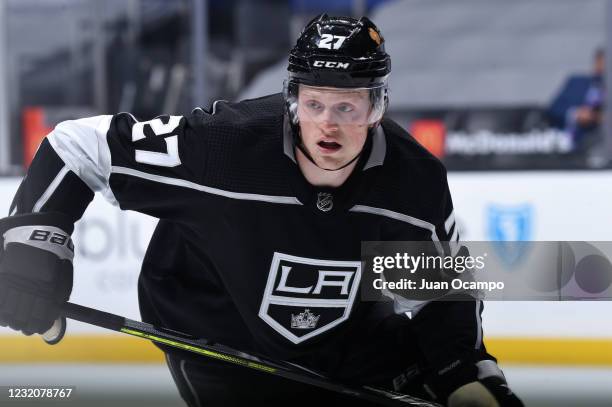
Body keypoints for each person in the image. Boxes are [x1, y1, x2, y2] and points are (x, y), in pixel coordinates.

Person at [0, 14, 523, 407]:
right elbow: (76, 146)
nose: (329, 126)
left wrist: (463, 373)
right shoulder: (221, 149)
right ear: (293, 99)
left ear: (377, 106)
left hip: (347, 338)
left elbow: (439, 291)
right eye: (315, 104)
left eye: (348, 107)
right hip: (215, 333)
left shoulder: (413, 182)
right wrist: (35, 241)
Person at [548, 48, 605, 153]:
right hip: (569, 146)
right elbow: (554, 108)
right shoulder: (576, 83)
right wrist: (576, 114)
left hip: (600, 147)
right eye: (601, 61)